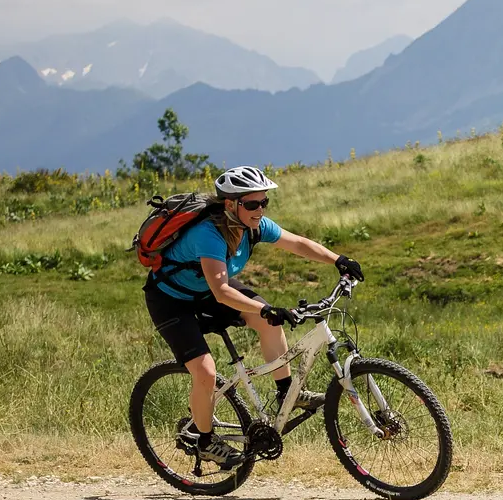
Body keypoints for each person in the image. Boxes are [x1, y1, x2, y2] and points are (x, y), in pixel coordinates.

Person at [143, 165, 364, 467]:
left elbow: (297, 243)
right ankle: (204, 441)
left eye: (264, 202)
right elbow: (221, 291)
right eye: (252, 204)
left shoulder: (254, 226)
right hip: (172, 300)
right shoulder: (208, 235)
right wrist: (263, 307)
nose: (259, 209)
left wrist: (338, 260)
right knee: (205, 373)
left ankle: (288, 393)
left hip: (206, 292)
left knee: (269, 322)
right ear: (230, 205)